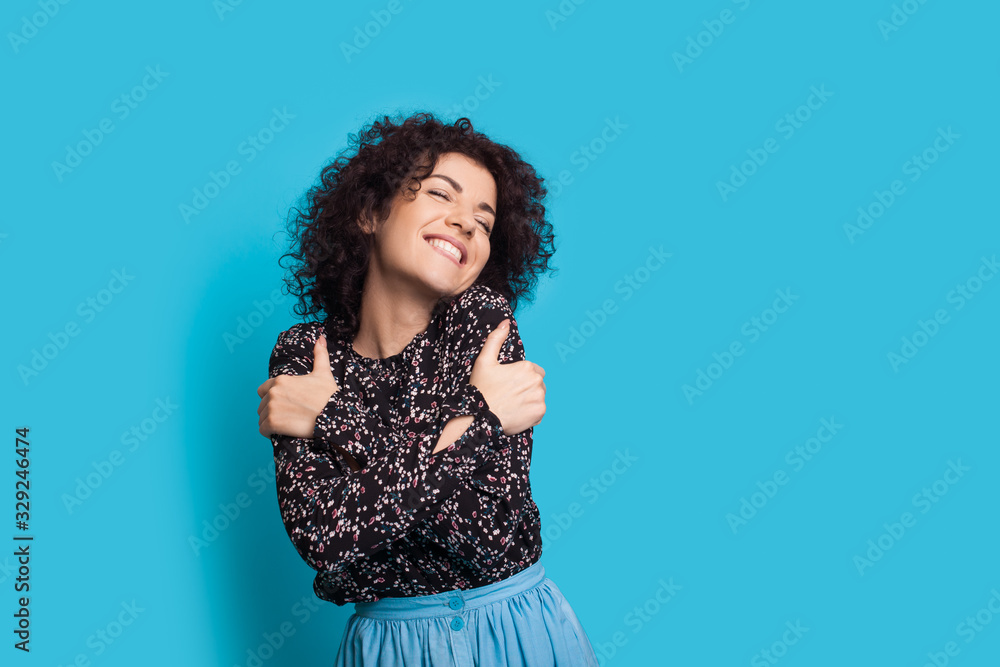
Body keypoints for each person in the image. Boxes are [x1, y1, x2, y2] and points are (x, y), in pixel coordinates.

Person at [256, 112, 600, 666]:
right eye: (441, 194)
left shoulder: (482, 324)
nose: (466, 223)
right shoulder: (305, 353)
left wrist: (335, 418)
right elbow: (326, 540)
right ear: (370, 212)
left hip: (513, 632)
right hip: (386, 647)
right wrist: (484, 419)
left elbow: (483, 534)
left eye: (484, 221)